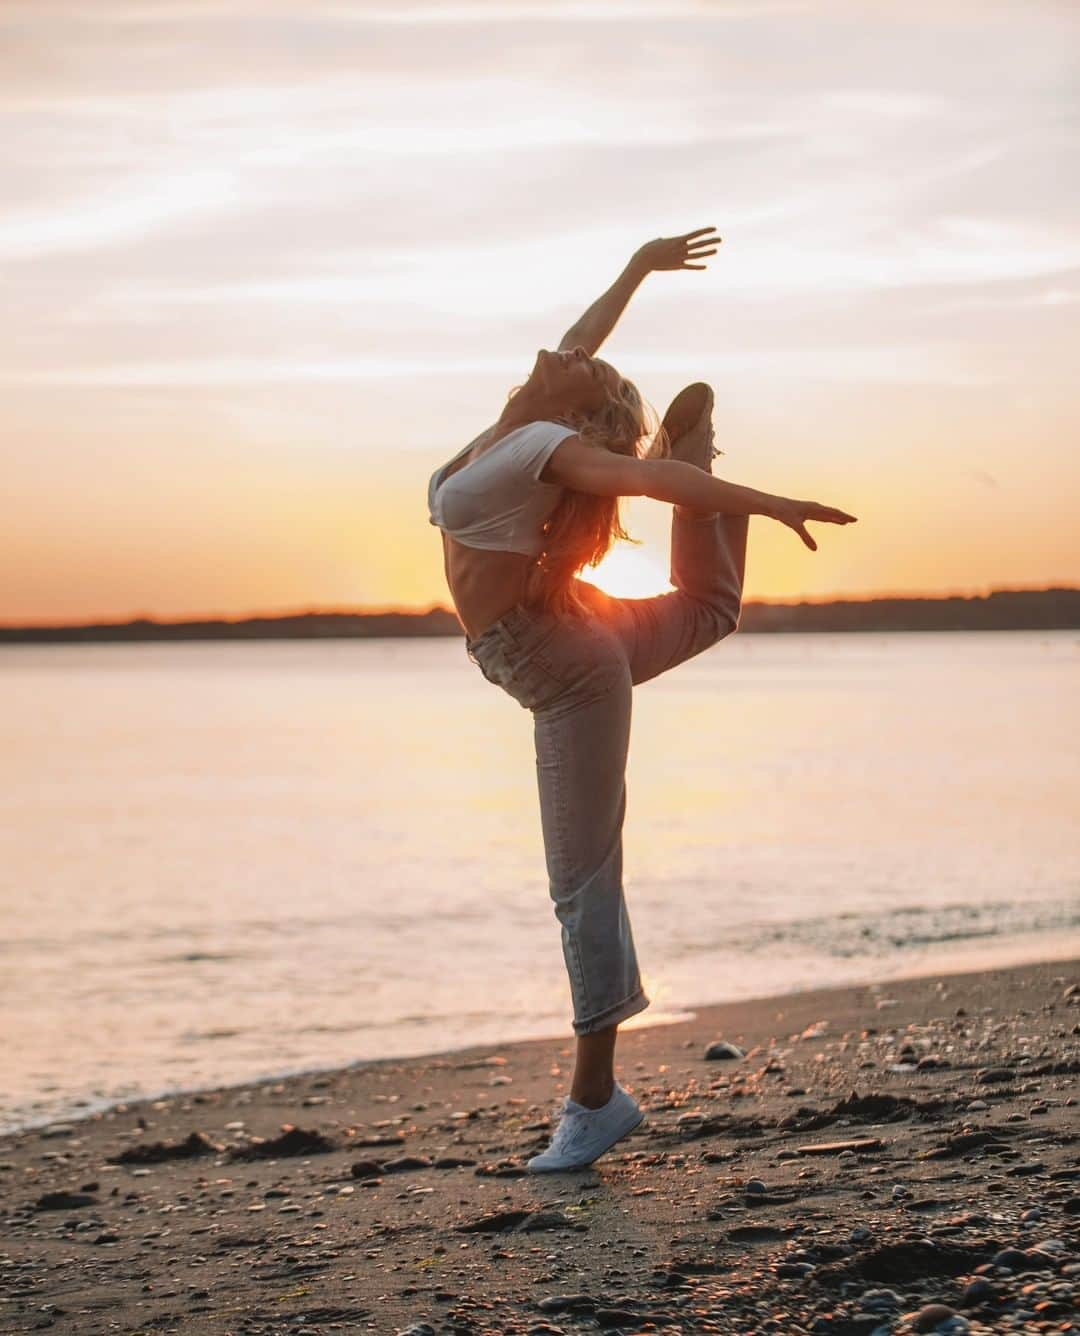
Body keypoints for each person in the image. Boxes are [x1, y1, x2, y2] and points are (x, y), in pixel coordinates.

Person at [426, 227, 857, 1172]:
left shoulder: (544, 445)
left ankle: (595, 1101)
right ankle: (714, 500)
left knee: (582, 881)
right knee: (710, 607)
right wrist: (637, 268)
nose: (565, 354)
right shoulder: (514, 425)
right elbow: (580, 342)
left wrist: (769, 500)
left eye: (580, 369)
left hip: (563, 660)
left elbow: (639, 475)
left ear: (570, 415)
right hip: (567, 626)